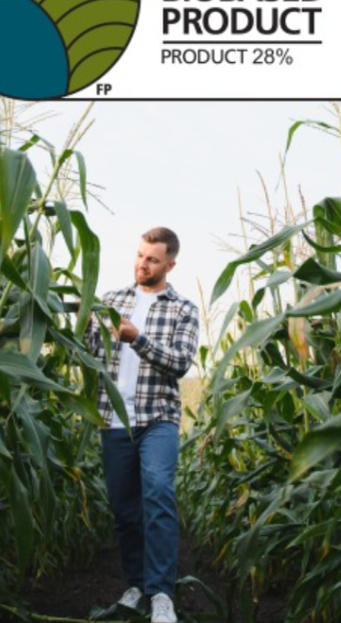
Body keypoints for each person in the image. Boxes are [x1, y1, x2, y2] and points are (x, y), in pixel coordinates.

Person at [84, 227, 199, 623]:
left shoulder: (183, 309)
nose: (141, 264)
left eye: (151, 259)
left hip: (158, 419)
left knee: (159, 494)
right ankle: (136, 585)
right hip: (114, 418)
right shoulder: (111, 301)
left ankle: (161, 593)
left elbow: (180, 362)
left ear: (170, 264)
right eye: (138, 255)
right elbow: (86, 346)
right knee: (125, 508)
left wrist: (137, 338)